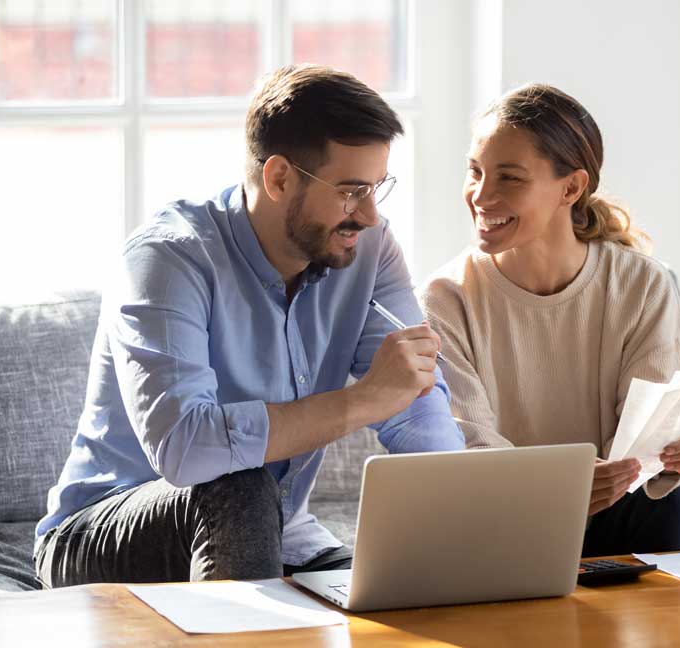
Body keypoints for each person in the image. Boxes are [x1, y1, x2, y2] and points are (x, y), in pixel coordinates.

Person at [35, 65, 464, 588]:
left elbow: (415, 401)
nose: (370, 215)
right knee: (238, 485)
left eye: (378, 188)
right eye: (352, 191)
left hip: (282, 533)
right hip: (101, 531)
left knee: (405, 594)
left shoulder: (368, 249)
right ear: (279, 177)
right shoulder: (168, 260)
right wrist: (361, 401)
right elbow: (185, 447)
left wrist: (462, 517)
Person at [419, 83, 680, 555]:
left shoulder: (643, 284)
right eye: (474, 172)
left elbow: (651, 444)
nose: (481, 195)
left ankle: (666, 627)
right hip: (505, 519)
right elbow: (469, 448)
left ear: (572, 187)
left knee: (671, 504)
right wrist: (562, 487)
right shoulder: (445, 298)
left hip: (617, 509)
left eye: (509, 178)